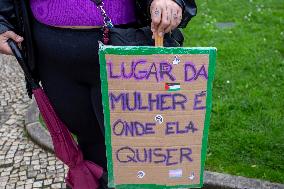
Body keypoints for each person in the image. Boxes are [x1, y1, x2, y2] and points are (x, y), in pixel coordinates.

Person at [0, 0, 196, 188]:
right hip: (52, 56)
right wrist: (2, 20)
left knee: (139, 147)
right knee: (90, 145)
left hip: (124, 46)